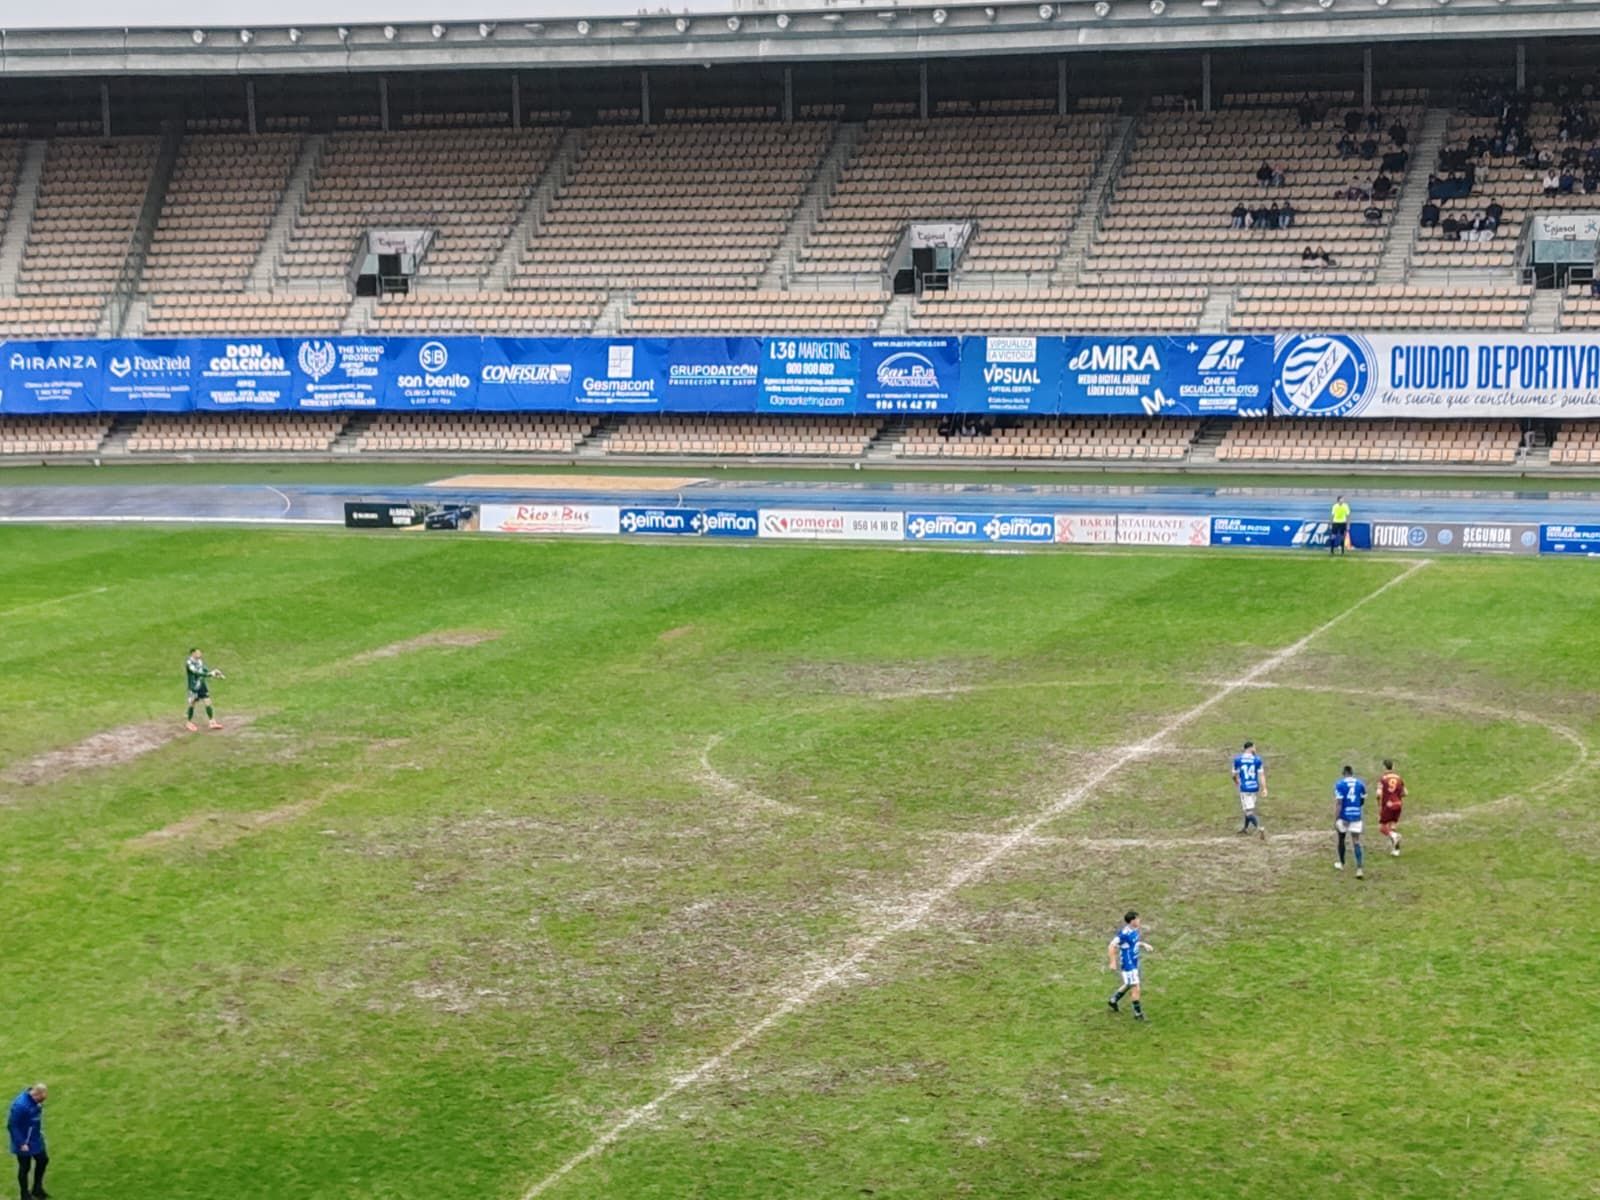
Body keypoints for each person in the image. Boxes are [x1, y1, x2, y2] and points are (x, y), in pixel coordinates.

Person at [1106, 911, 1150, 1021]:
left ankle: (1113, 1000)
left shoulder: (1134, 930)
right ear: (1132, 921)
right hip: (1128, 964)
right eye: (1137, 919)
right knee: (1136, 988)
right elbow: (1111, 946)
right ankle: (1138, 1014)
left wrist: (1144, 944)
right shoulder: (1123, 934)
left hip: (1134, 962)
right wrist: (1112, 962)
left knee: (1129, 983)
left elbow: (1133, 943)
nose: (1139, 920)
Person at [7, 1084, 47, 1200]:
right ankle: (24, 1195)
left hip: (35, 1137)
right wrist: (21, 1143)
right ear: (35, 1095)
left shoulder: (35, 1101)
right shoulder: (20, 1106)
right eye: (40, 1100)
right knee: (25, 1167)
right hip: (23, 1141)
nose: (41, 1102)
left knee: (43, 1160)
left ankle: (37, 1189)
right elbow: (12, 1125)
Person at [1334, 765, 1367, 879]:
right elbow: (1362, 800)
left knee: (1341, 838)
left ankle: (1342, 863)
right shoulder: (1360, 784)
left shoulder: (1340, 784)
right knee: (1356, 841)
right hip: (1356, 815)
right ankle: (1359, 868)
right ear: (1352, 773)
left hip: (1344, 816)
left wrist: (1336, 818)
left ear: (1344, 773)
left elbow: (1339, 803)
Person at [185, 647, 225, 732]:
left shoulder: (200, 661)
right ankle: (189, 722)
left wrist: (214, 672)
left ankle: (212, 722)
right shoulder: (189, 663)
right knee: (192, 704)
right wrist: (210, 674)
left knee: (208, 702)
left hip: (202, 685)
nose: (200, 654)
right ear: (193, 653)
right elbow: (196, 672)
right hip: (194, 687)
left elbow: (204, 669)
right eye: (198, 653)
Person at [1232, 740, 1266, 839]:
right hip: (1254, 787)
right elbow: (1261, 775)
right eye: (1254, 747)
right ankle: (1245, 828)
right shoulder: (1257, 760)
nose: (1255, 749)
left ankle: (1259, 828)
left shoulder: (1238, 759)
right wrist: (1264, 788)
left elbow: (1234, 775)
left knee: (1248, 811)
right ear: (1250, 748)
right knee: (1248, 808)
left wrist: (1236, 782)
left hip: (1244, 788)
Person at [1378, 758, 1407, 856]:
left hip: (1388, 805)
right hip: (1398, 804)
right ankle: (1396, 850)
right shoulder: (1399, 778)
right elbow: (1405, 793)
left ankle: (1395, 836)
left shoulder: (1383, 779)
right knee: (1393, 826)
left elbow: (1378, 794)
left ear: (1384, 767)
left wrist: (1379, 804)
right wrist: (1396, 795)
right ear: (1393, 766)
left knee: (1383, 828)